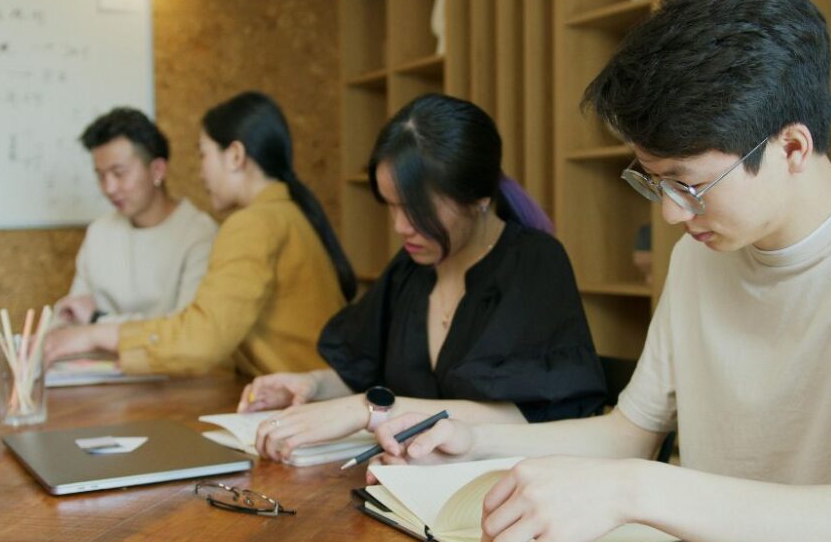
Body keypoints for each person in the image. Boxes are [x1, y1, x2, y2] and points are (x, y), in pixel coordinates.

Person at [368, 0, 831, 542]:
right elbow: (629, 432)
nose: (673, 213)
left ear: (791, 147)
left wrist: (635, 492)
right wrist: (471, 441)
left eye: (689, 183)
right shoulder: (701, 258)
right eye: (653, 181)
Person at [241, 94, 606, 463]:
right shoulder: (411, 269)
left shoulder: (532, 263)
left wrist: (370, 409)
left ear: (478, 198)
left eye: (417, 210)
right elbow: (364, 370)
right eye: (392, 206)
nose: (401, 227)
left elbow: (531, 414)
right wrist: (311, 385)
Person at [46, 92, 356, 377]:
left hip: (303, 406)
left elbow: (200, 341)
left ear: (235, 156)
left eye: (203, 155)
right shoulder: (284, 212)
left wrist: (94, 330)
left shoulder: (253, 224)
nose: (200, 172)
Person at [56, 107, 218, 325]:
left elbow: (185, 331)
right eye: (101, 176)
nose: (109, 188)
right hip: (95, 359)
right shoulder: (99, 232)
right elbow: (74, 314)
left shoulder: (199, 233)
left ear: (157, 170)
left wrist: (98, 320)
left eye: (119, 173)